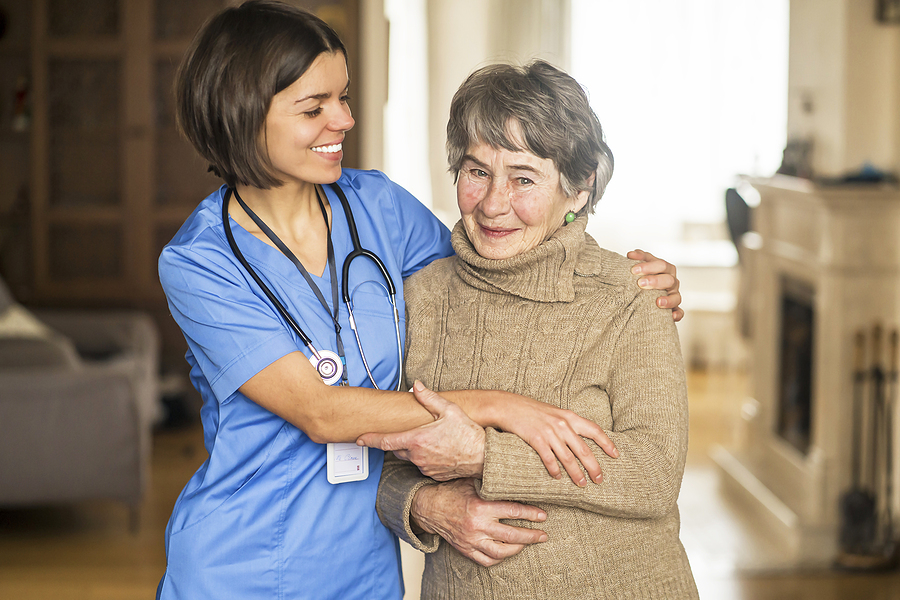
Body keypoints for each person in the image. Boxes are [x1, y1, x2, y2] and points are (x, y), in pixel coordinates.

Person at [155, 2, 683, 598]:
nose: (344, 120)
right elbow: (321, 413)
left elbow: (498, 262)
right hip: (245, 560)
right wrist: (501, 408)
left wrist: (620, 278)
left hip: (364, 563)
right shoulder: (201, 260)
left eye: (344, 97)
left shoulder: (378, 206)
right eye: (314, 107)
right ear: (241, 115)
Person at [368, 61, 699, 599]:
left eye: (523, 178)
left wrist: (486, 458)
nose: (495, 204)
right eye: (477, 172)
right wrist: (424, 505)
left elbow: (654, 473)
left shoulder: (630, 295)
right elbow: (370, 451)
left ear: (579, 188)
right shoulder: (418, 295)